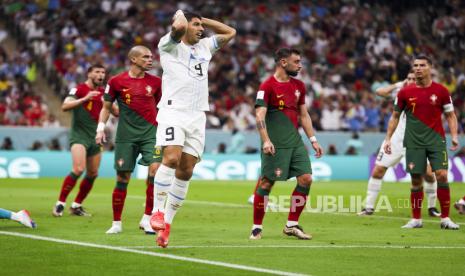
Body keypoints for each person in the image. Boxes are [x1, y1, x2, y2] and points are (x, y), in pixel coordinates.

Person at [150, 10, 236, 248]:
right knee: (171, 157)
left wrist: (202, 19)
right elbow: (177, 27)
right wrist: (181, 15)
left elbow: (230, 32)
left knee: (186, 169)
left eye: (202, 26)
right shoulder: (169, 45)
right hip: (173, 111)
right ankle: (156, 211)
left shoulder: (205, 47)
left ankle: (166, 225)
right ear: (184, 25)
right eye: (196, 25)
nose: (201, 29)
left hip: (197, 115)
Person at [249, 48, 323, 240]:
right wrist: (266, 140)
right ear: (283, 62)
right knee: (266, 182)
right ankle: (256, 227)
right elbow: (259, 115)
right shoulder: (267, 86)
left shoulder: (299, 85)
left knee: (306, 178)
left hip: (295, 142)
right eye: (296, 61)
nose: (300, 65)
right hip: (275, 143)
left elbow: (304, 115)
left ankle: (291, 225)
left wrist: (313, 140)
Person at [384, 55, 460, 229]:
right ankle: (416, 219)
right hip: (413, 142)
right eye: (416, 65)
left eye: (422, 65)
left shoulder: (441, 91)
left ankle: (445, 219)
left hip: (436, 140)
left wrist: (454, 136)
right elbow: (395, 116)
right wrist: (388, 139)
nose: (418, 68)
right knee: (416, 180)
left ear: (430, 67)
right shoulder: (404, 92)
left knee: (441, 175)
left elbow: (450, 115)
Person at [95, 46, 162, 235]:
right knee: (122, 178)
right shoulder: (116, 81)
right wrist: (100, 129)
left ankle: (147, 218)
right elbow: (106, 107)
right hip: (125, 137)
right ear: (133, 59)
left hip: (151, 135)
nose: (150, 60)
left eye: (151, 57)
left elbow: (161, 107)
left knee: (156, 173)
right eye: (146, 57)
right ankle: (117, 223)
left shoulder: (157, 82)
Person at [359, 71, 440, 217]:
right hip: (396, 139)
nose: (410, 81)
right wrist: (398, 84)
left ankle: (432, 208)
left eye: (413, 79)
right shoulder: (400, 92)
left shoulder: (426, 94)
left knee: (428, 173)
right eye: (408, 78)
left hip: (418, 141)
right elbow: (378, 91)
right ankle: (369, 207)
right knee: (378, 170)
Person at [53, 64, 111, 217]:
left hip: (96, 136)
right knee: (78, 169)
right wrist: (84, 99)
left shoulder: (104, 92)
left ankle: (76, 206)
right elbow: (65, 106)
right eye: (97, 72)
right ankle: (60, 203)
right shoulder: (78, 89)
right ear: (89, 73)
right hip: (79, 135)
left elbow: (113, 110)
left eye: (103, 72)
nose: (101, 75)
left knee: (93, 173)